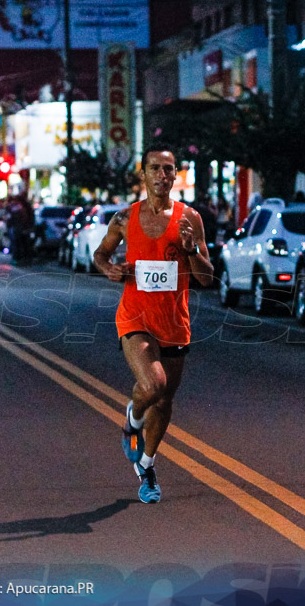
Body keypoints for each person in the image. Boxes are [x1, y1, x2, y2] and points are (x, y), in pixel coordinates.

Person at [93, 144, 213, 504]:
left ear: (176, 176)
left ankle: (146, 466)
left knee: (164, 402)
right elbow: (101, 253)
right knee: (153, 383)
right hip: (135, 316)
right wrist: (108, 268)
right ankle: (133, 416)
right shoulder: (124, 218)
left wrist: (192, 251)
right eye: (155, 168)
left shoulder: (190, 218)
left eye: (169, 169)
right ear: (142, 174)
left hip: (174, 322)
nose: (163, 175)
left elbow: (206, 279)